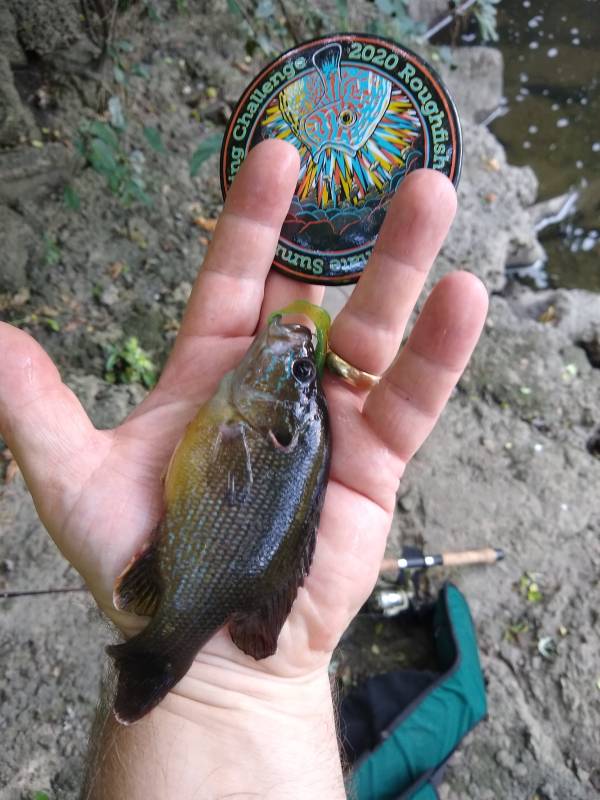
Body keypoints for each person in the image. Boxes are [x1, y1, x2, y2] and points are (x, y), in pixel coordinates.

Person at [0, 139, 488, 798]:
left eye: (295, 373)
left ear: (274, 427)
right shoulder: (251, 421)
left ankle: (161, 654)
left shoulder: (249, 423)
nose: (297, 355)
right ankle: (164, 655)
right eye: (299, 371)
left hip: (200, 596)